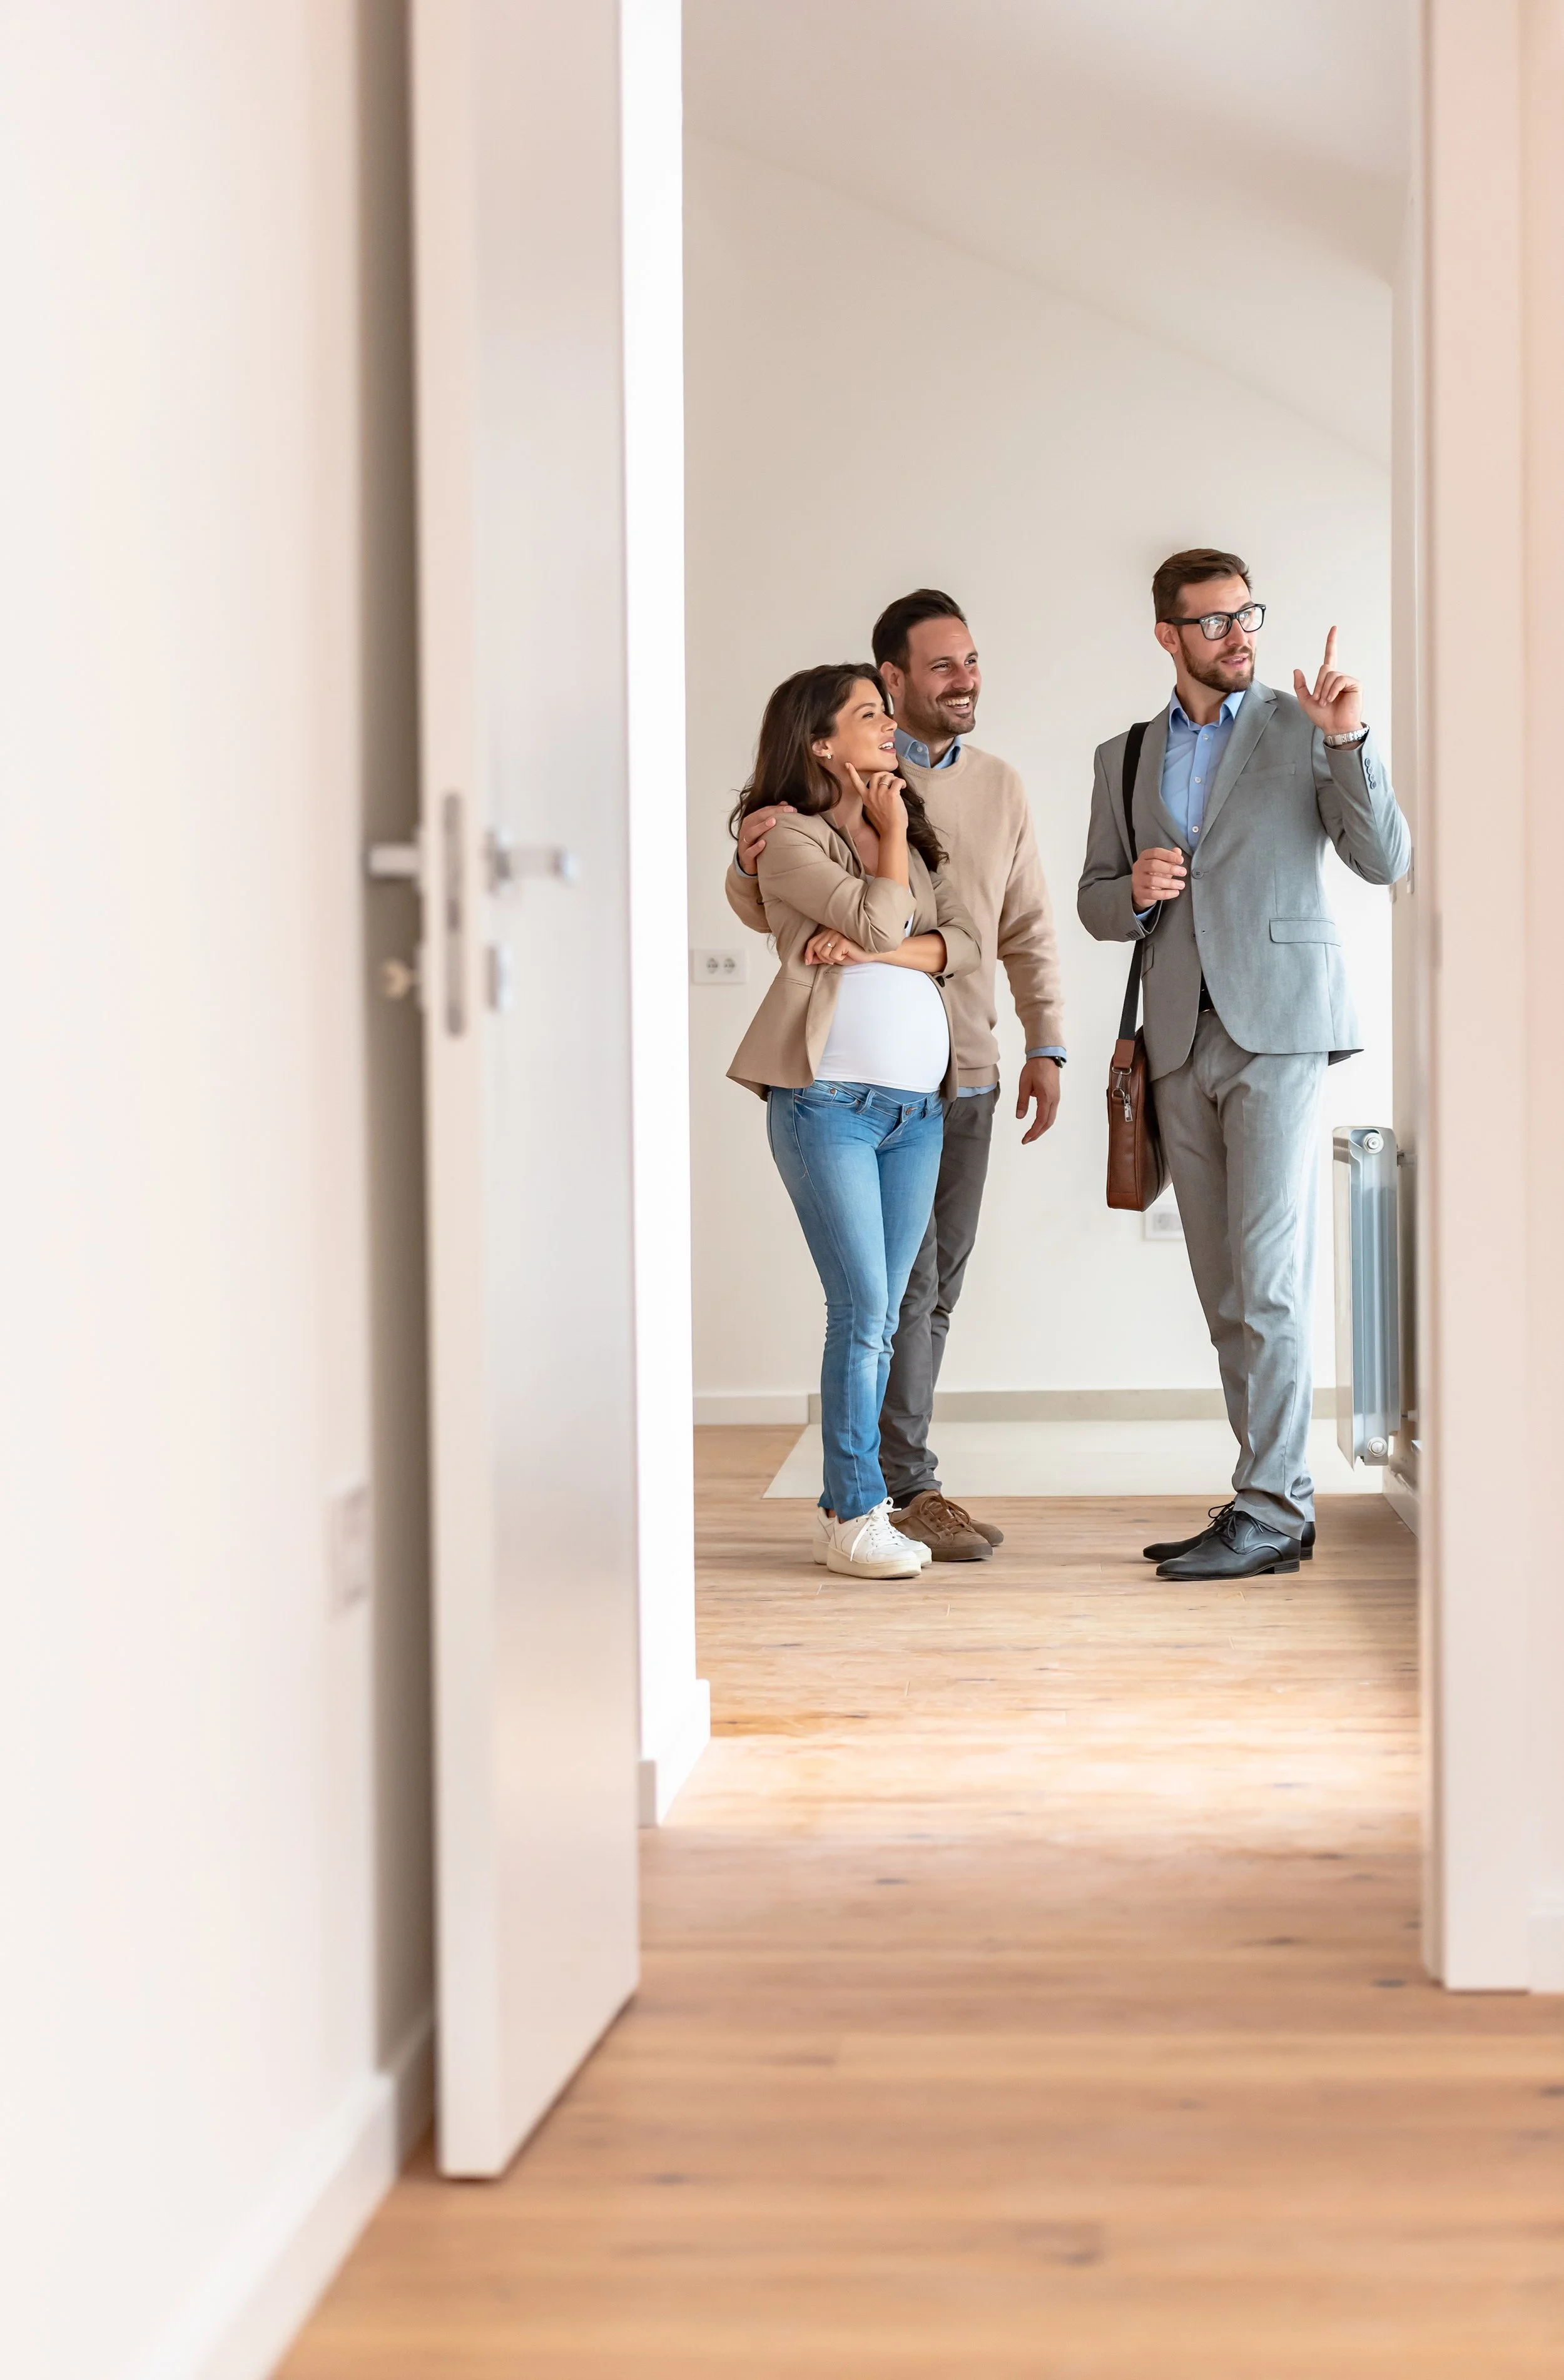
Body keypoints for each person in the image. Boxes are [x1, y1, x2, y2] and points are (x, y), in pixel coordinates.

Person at [1078, 549, 1411, 1582]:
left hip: (1278, 1028)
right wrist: (1133, 885)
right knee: (1225, 1289)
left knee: (1268, 1280)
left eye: (1245, 616)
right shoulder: (1125, 755)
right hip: (1179, 1039)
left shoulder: (1296, 727)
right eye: (1213, 622)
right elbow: (1095, 901)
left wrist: (1348, 740)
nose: (1238, 636)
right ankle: (1271, 1502)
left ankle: (1272, 1504)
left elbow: (1384, 856)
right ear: (1167, 636)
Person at [729, 590, 1065, 1561]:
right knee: (876, 1302)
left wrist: (1044, 1039)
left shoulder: (980, 793)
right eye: (941, 666)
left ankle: (893, 1486)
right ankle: (880, 1495)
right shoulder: (806, 818)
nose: (965, 680)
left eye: (972, 661)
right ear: (889, 679)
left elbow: (987, 933)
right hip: (839, 1092)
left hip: (955, 1080)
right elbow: (776, 899)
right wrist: (765, 865)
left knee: (928, 1292)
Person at [728, 664, 981, 1581]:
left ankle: (855, 1504)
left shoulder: (906, 833)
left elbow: (963, 942)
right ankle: (853, 1512)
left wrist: (889, 919)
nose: (889, 724)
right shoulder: (785, 839)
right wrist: (886, 865)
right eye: (869, 714)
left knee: (886, 1308)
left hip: (916, 1112)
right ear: (821, 742)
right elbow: (881, 917)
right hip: (827, 1102)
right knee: (863, 1310)